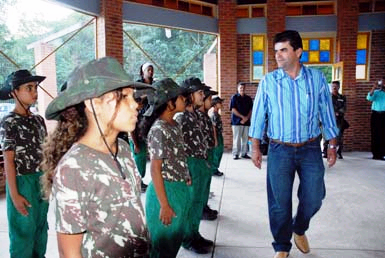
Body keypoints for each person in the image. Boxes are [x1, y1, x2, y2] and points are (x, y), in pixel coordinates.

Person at [40, 57, 154, 257]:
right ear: (94, 105)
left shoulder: (123, 149)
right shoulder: (74, 167)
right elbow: (70, 252)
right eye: (124, 97)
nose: (135, 105)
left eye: (133, 97)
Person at [249, 30, 339, 258]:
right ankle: (281, 245)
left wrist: (331, 144)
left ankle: (299, 228)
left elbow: (326, 112)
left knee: (314, 196)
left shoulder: (317, 79)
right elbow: (259, 115)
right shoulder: (269, 81)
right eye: (276, 51)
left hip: (310, 148)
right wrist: (255, 146)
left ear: (298, 52)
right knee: (279, 202)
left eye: (283, 50)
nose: (278, 55)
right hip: (280, 149)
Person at [139, 78, 192, 258]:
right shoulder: (159, 129)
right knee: (161, 248)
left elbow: (176, 156)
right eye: (180, 97)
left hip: (178, 188)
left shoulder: (174, 125)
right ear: (170, 103)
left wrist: (184, 174)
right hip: (165, 192)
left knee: (173, 241)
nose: (184, 99)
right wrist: (164, 205)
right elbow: (155, 169)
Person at [0, 69, 49, 258]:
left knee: (40, 227)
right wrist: (14, 194)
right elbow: (9, 161)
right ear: (14, 92)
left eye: (35, 87)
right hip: (22, 182)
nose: (34, 92)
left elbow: (45, 152)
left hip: (41, 179)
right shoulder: (8, 122)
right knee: (23, 230)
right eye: (29, 88)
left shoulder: (38, 120)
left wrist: (49, 178)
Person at [175, 77, 213, 254]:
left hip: (201, 162)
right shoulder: (181, 117)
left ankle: (194, 233)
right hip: (190, 163)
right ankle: (187, 239)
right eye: (199, 92)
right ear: (190, 94)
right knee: (189, 204)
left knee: (198, 202)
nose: (202, 95)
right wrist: (184, 171)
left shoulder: (197, 115)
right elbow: (177, 147)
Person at [128, 62, 155, 192]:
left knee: (144, 157)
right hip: (139, 124)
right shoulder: (138, 86)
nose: (150, 72)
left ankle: (140, 180)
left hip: (149, 122)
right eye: (148, 70)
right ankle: (137, 181)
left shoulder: (154, 85)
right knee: (139, 156)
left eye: (152, 70)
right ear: (143, 71)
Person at [197, 87, 219, 221]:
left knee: (206, 183)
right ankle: (201, 209)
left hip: (208, 152)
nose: (211, 102)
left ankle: (204, 206)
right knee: (201, 185)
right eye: (209, 99)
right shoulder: (198, 116)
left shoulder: (205, 115)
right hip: (202, 155)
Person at [323, 81, 347, 159]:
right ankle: (325, 151)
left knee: (339, 136)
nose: (334, 88)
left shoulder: (342, 97)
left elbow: (344, 108)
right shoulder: (327, 97)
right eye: (333, 86)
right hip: (328, 120)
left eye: (336, 86)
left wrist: (338, 113)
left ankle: (339, 152)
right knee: (327, 135)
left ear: (339, 87)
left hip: (339, 120)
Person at [230, 82, 253, 160]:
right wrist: (242, 117)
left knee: (245, 139)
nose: (242, 89)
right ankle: (235, 154)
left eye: (243, 88)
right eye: (240, 88)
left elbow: (250, 110)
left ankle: (244, 153)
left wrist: (246, 118)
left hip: (246, 122)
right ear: (238, 89)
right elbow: (233, 109)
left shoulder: (248, 98)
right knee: (236, 139)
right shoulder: (234, 97)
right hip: (236, 122)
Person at [366, 76, 385, 160]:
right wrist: (374, 87)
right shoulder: (377, 92)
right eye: (382, 82)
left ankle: (383, 154)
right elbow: (369, 98)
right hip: (376, 115)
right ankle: (375, 154)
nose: (383, 84)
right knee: (375, 134)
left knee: (383, 135)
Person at [210, 96, 225, 176]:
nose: (221, 104)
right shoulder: (214, 115)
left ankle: (216, 168)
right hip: (217, 136)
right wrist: (215, 139)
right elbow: (213, 128)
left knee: (220, 151)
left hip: (219, 135)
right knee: (216, 153)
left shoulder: (217, 114)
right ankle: (214, 169)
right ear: (215, 105)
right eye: (220, 103)